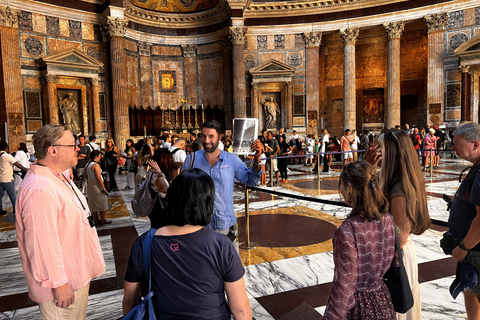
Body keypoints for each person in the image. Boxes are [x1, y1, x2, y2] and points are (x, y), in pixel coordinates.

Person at [122, 169, 252, 319]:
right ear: (208, 203)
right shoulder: (221, 244)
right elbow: (241, 310)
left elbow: (129, 299)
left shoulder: (145, 243)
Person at [15, 124, 105, 319]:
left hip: (73, 273)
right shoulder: (40, 190)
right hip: (61, 286)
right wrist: (59, 284)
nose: (78, 149)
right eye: (72, 145)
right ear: (52, 150)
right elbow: (42, 244)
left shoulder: (57, 176)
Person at [367, 129, 430, 320]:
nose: (374, 151)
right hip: (390, 252)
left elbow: (400, 235)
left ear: (391, 152)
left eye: (379, 147)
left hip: (395, 255)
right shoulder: (391, 180)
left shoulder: (400, 187)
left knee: (394, 307)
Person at [323, 161, 396, 319]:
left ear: (349, 189)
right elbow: (395, 258)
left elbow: (345, 284)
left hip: (358, 307)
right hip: (382, 299)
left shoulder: (348, 231)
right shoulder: (388, 219)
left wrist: (333, 316)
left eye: (341, 186)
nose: (341, 191)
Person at [182, 120, 263, 252]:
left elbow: (252, 181)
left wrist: (257, 160)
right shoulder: (191, 160)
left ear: (220, 137)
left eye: (211, 136)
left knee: (231, 269)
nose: (206, 140)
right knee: (204, 269)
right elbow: (183, 191)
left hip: (225, 225)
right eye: (203, 136)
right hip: (199, 226)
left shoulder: (231, 160)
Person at [444, 123, 480, 320]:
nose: (453, 148)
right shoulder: (476, 169)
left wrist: (463, 248)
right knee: (471, 287)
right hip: (472, 248)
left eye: (457, 143)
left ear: (475, 144)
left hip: (475, 248)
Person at [146, 148, 173, 229]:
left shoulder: (153, 172)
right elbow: (165, 190)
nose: (171, 160)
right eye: (169, 159)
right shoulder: (156, 174)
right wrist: (159, 173)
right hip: (160, 210)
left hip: (155, 209)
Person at [0, 142, 28, 216]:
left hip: (0, 179)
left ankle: (0, 210)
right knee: (12, 195)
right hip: (7, 179)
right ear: (6, 148)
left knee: (0, 196)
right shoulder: (7, 156)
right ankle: (16, 209)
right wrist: (27, 170)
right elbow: (17, 164)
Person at [85, 150, 110, 225]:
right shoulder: (96, 165)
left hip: (90, 186)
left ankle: (96, 220)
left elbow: (86, 176)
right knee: (102, 203)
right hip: (97, 187)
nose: (100, 157)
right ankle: (102, 220)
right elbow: (98, 177)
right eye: (99, 156)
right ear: (96, 157)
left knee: (93, 204)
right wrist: (103, 188)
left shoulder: (87, 165)